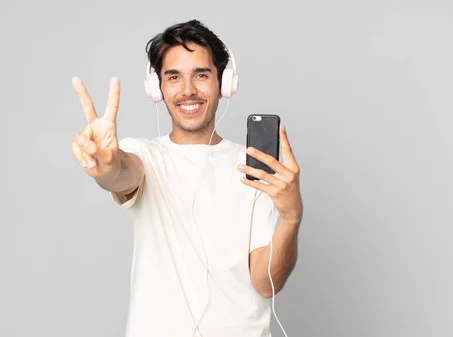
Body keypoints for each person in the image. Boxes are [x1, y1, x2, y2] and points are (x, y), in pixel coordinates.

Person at [71, 19, 303, 337]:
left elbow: (265, 283)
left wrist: (291, 217)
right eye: (174, 77)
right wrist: (106, 165)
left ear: (225, 83)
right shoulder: (143, 154)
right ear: (157, 88)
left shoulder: (252, 167)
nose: (188, 90)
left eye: (202, 75)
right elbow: (121, 174)